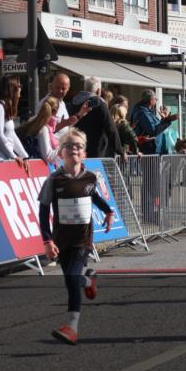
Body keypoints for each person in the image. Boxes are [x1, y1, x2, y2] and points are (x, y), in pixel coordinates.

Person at [38, 128, 115, 345]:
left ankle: (72, 328)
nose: (74, 149)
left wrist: (108, 212)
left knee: (72, 278)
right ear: (61, 152)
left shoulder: (89, 177)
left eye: (78, 146)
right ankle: (89, 278)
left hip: (83, 239)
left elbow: (94, 196)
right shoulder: (54, 180)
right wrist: (47, 240)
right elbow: (43, 211)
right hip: (62, 239)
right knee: (70, 280)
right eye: (69, 146)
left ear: (84, 154)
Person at [67, 77, 124, 160]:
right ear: (98, 91)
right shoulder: (99, 103)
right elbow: (110, 127)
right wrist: (120, 150)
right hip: (96, 152)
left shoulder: (73, 103)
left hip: (77, 149)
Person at [0, 75, 30, 171]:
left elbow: (12, 135)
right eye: (19, 86)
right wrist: (14, 156)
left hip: (7, 158)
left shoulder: (5, 108)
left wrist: (24, 156)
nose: (21, 89)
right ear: (12, 89)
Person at [35, 72, 92, 143]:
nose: (60, 91)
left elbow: (66, 126)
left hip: (61, 146)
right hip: (51, 148)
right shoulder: (46, 104)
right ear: (51, 86)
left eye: (63, 88)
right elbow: (40, 131)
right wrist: (64, 124)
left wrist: (80, 114)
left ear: (68, 88)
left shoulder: (61, 102)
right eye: (57, 87)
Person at [131, 89, 179, 155]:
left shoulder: (147, 112)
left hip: (153, 148)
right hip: (147, 150)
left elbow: (157, 127)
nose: (157, 100)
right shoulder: (143, 113)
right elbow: (153, 131)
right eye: (155, 99)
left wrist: (164, 119)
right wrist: (168, 120)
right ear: (151, 100)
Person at [17, 96, 61, 164]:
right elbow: (48, 155)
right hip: (35, 166)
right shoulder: (43, 129)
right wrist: (64, 149)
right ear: (55, 112)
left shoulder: (33, 121)